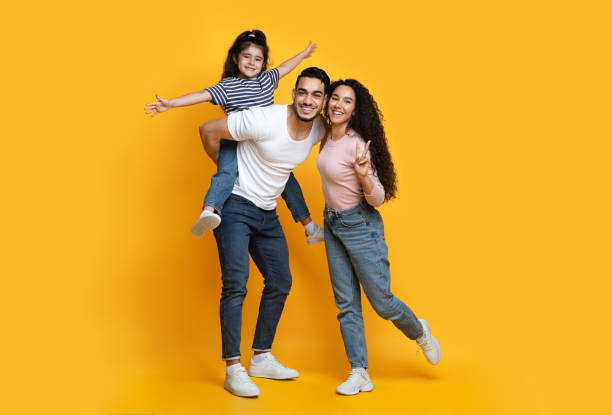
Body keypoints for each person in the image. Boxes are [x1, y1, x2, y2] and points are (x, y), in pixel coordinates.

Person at [198, 67, 330, 397]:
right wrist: (229, 171)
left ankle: (261, 357)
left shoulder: (319, 129)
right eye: (302, 92)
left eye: (316, 94)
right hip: (236, 207)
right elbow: (208, 130)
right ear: (293, 93)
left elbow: (343, 138)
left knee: (280, 281)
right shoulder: (263, 119)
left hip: (268, 213)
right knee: (236, 284)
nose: (308, 100)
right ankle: (233, 368)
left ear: (324, 100)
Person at [317, 79, 442, 396]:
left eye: (347, 101)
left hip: (359, 225)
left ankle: (420, 331)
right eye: (335, 98)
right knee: (346, 304)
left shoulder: (358, 144)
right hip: (332, 223)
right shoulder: (326, 135)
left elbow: (377, 198)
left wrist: (362, 175)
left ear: (355, 110)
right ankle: (359, 372)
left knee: (382, 303)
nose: (338, 105)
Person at [145, 30, 324, 243]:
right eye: (246, 56)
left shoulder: (266, 80)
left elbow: (285, 67)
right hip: (236, 142)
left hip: (264, 143)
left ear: (264, 63)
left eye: (258, 59)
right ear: (235, 58)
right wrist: (172, 103)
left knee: (288, 180)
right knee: (227, 172)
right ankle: (209, 211)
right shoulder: (228, 86)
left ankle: (310, 228)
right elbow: (202, 95)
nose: (252, 62)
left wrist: (303, 55)